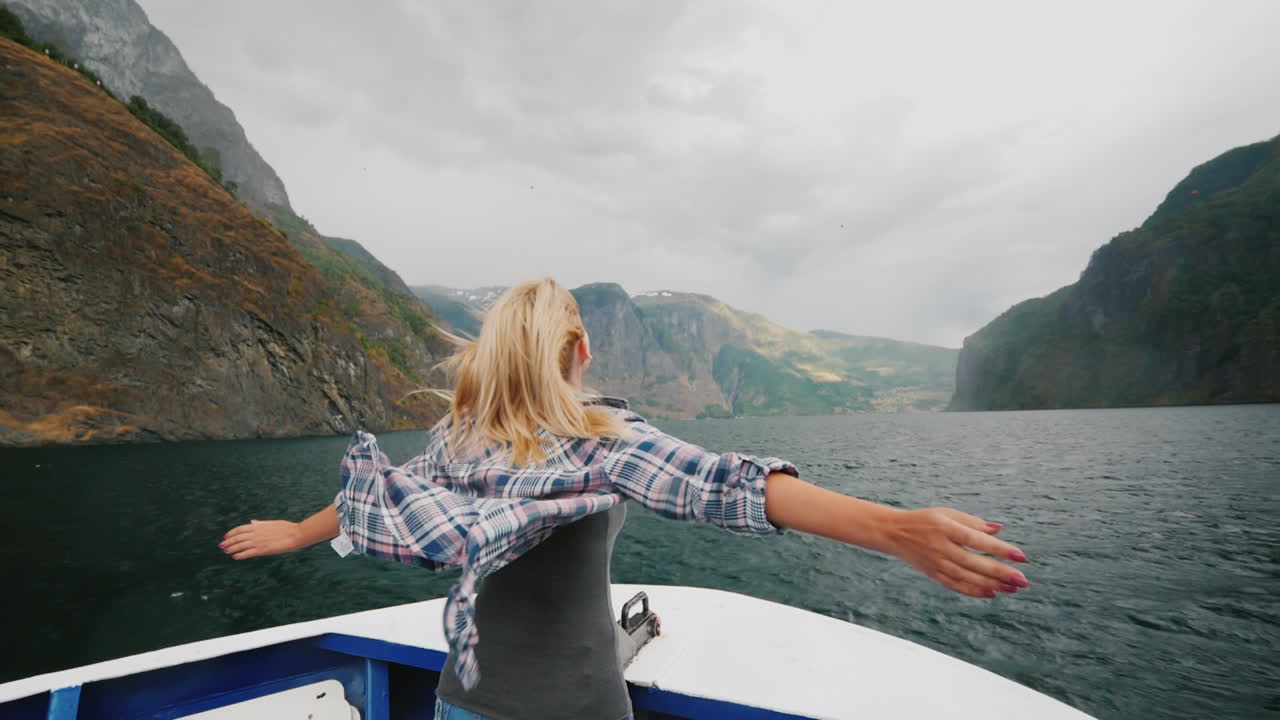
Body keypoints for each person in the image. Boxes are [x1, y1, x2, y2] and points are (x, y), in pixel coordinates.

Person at [220, 276, 1030, 720]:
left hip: (459, 703)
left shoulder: (455, 441)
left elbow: (372, 497)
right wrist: (897, 529)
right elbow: (730, 487)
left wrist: (296, 532)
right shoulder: (606, 439)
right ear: (580, 348)